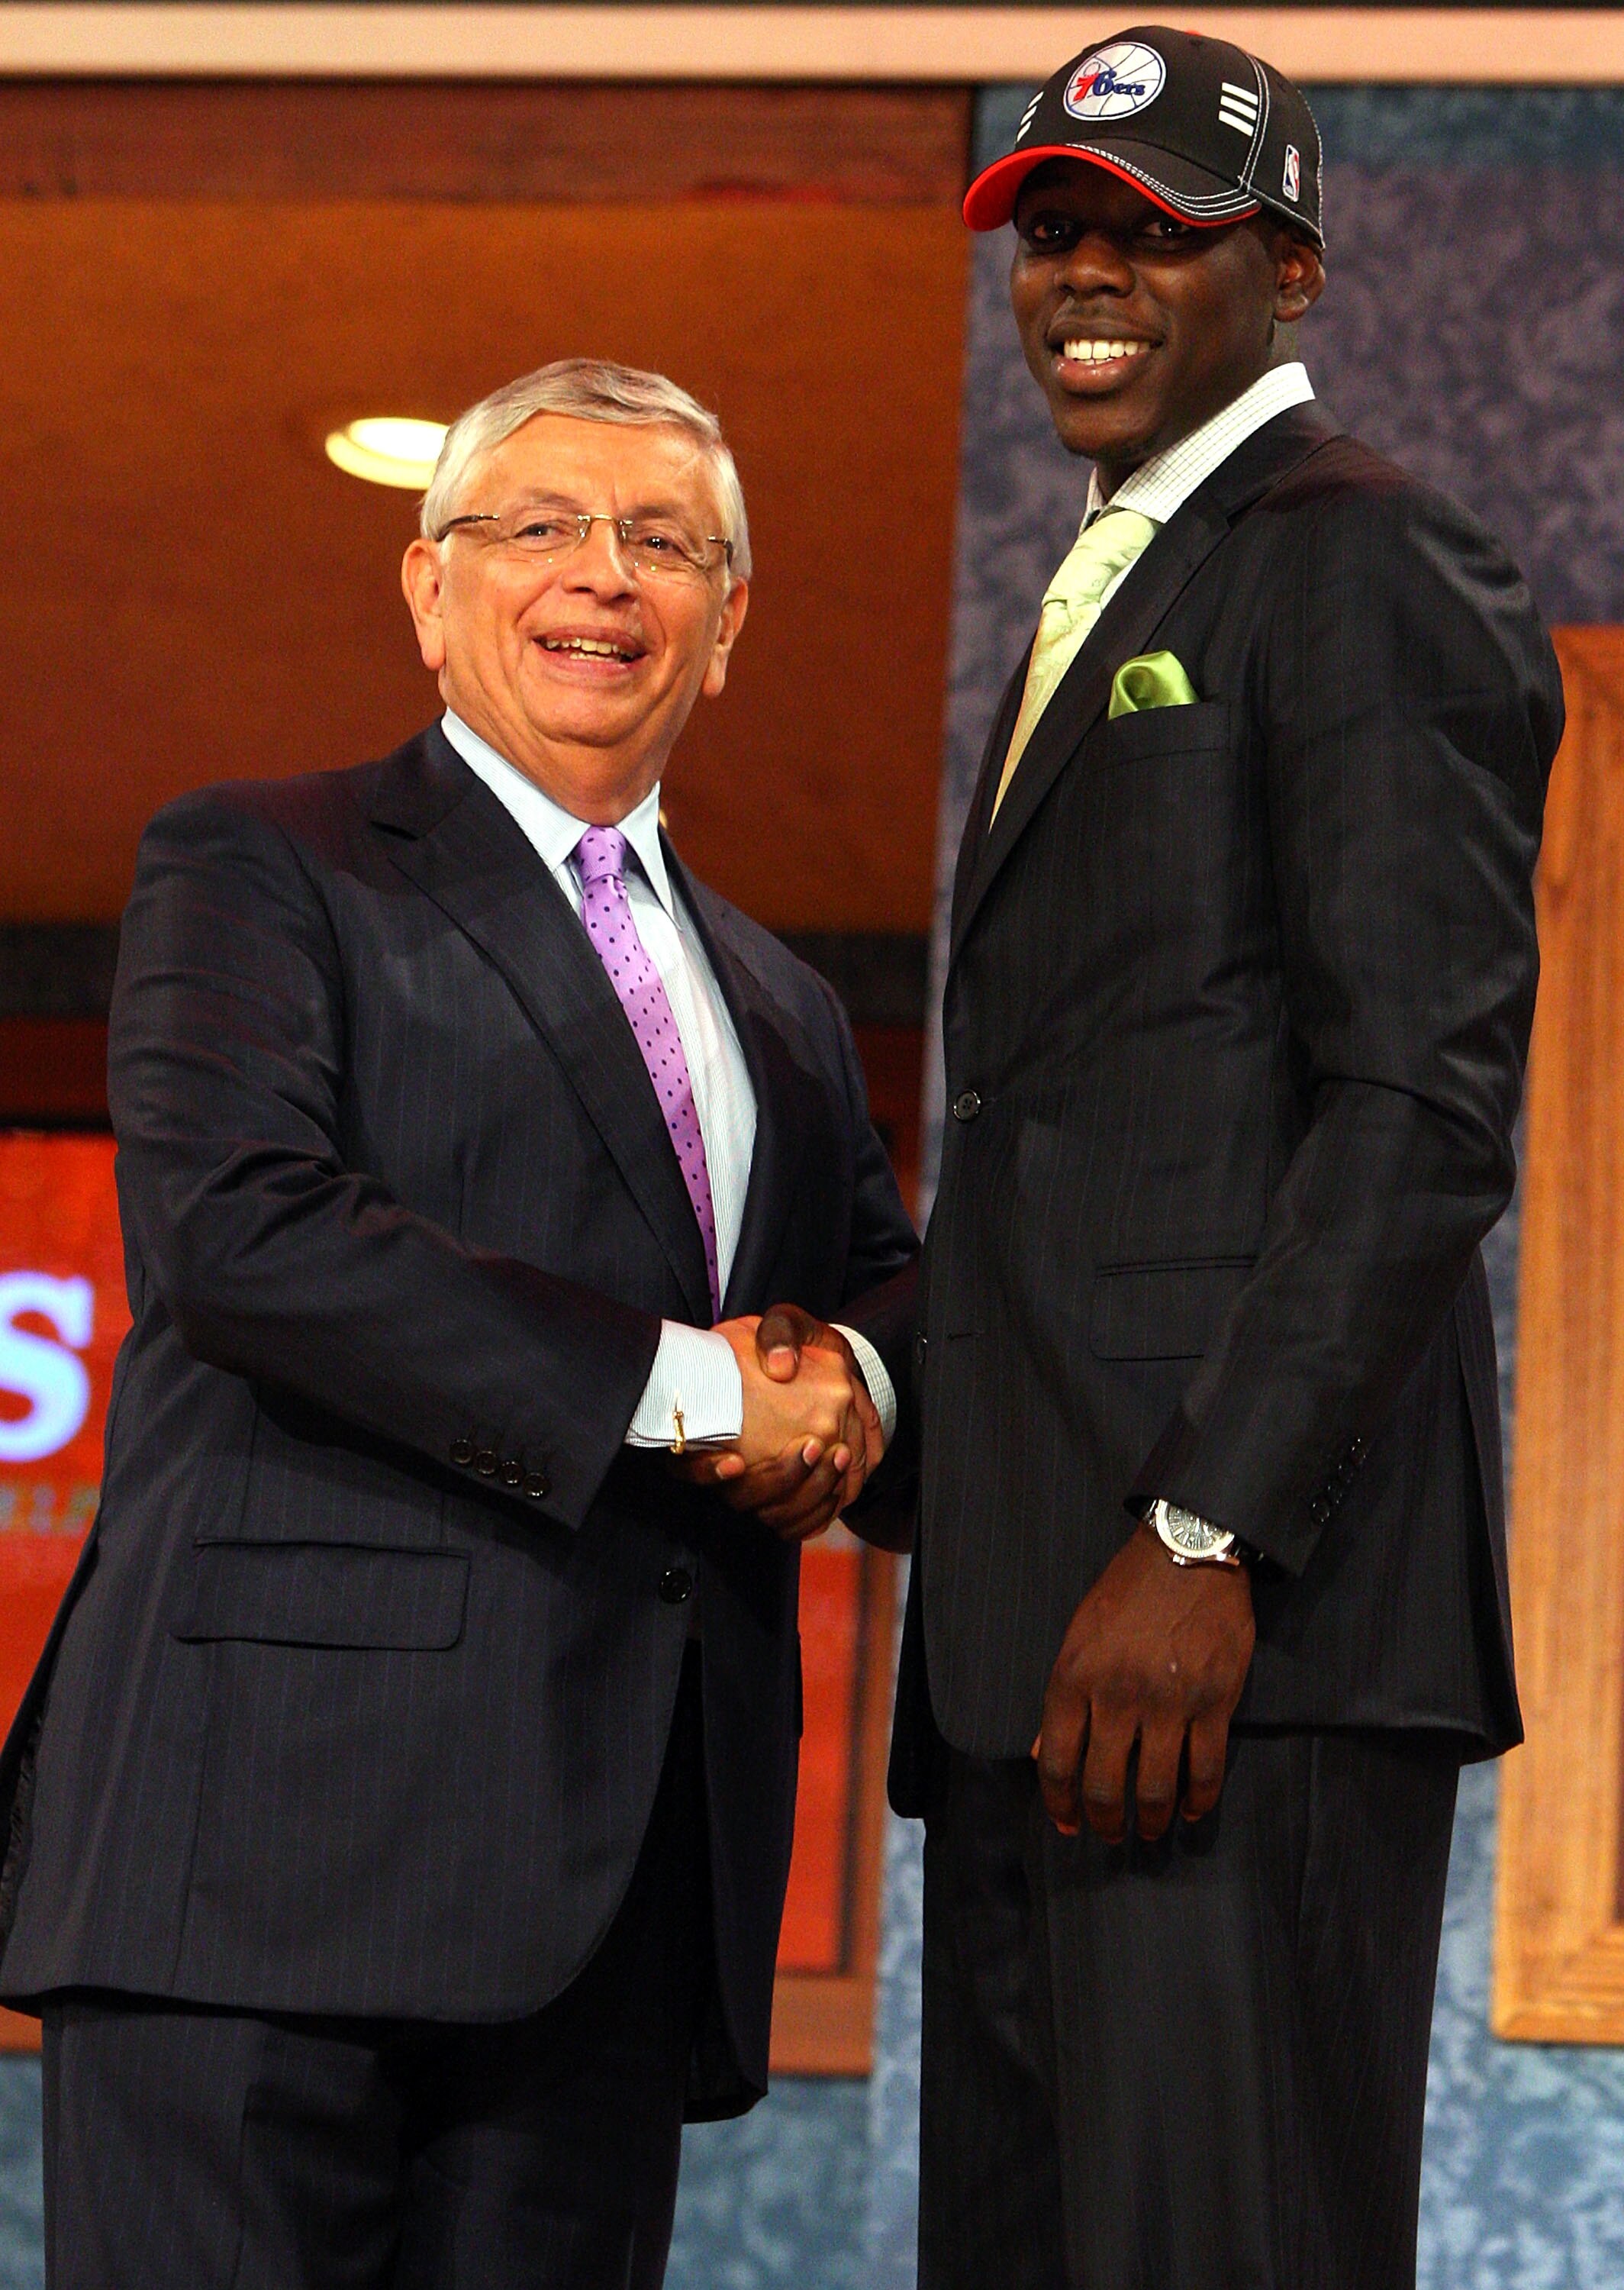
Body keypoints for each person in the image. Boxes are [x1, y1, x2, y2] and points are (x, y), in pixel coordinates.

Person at [741, 26, 1563, 2287]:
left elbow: (1418, 1108)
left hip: (1230, 1643)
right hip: (1030, 1654)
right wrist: (889, 1393)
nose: (1085, 276)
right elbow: (1082, 1140)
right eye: (1054, 232)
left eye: (1155, 231)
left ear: (1289, 269)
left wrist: (1204, 1533)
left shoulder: (1375, 565)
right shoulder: (1108, 585)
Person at [0, 358, 917, 2289]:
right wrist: (694, 1396)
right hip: (259, 1871)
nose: (604, 574)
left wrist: (853, 1379)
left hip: (617, 1902)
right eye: (539, 526)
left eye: (665, 540)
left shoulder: (782, 1004)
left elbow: (865, 1288)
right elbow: (244, 1239)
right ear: (430, 591)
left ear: (727, 625)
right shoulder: (262, 863)